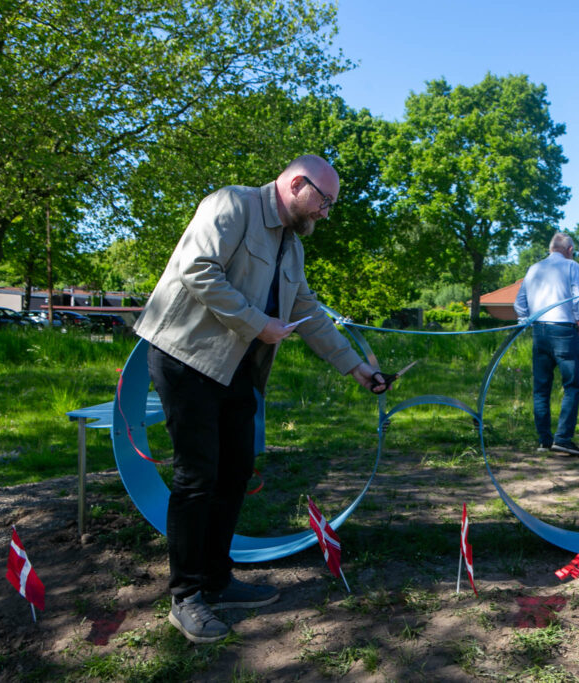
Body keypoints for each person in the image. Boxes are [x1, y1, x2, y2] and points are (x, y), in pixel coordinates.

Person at [134, 155, 388, 644]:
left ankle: (217, 579)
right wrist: (259, 324)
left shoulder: (292, 247)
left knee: (234, 472)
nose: (325, 214)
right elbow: (197, 270)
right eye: (324, 201)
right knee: (197, 475)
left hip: (236, 369)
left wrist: (356, 366)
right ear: (297, 184)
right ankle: (186, 598)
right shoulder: (232, 204)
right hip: (186, 357)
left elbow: (307, 311)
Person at [514, 233, 579, 456]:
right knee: (572, 385)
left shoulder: (534, 268)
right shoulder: (572, 266)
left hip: (539, 329)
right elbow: (578, 298)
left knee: (541, 388)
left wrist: (525, 320)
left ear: (550, 249)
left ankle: (544, 440)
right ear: (569, 249)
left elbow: (519, 302)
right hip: (564, 330)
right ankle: (563, 438)